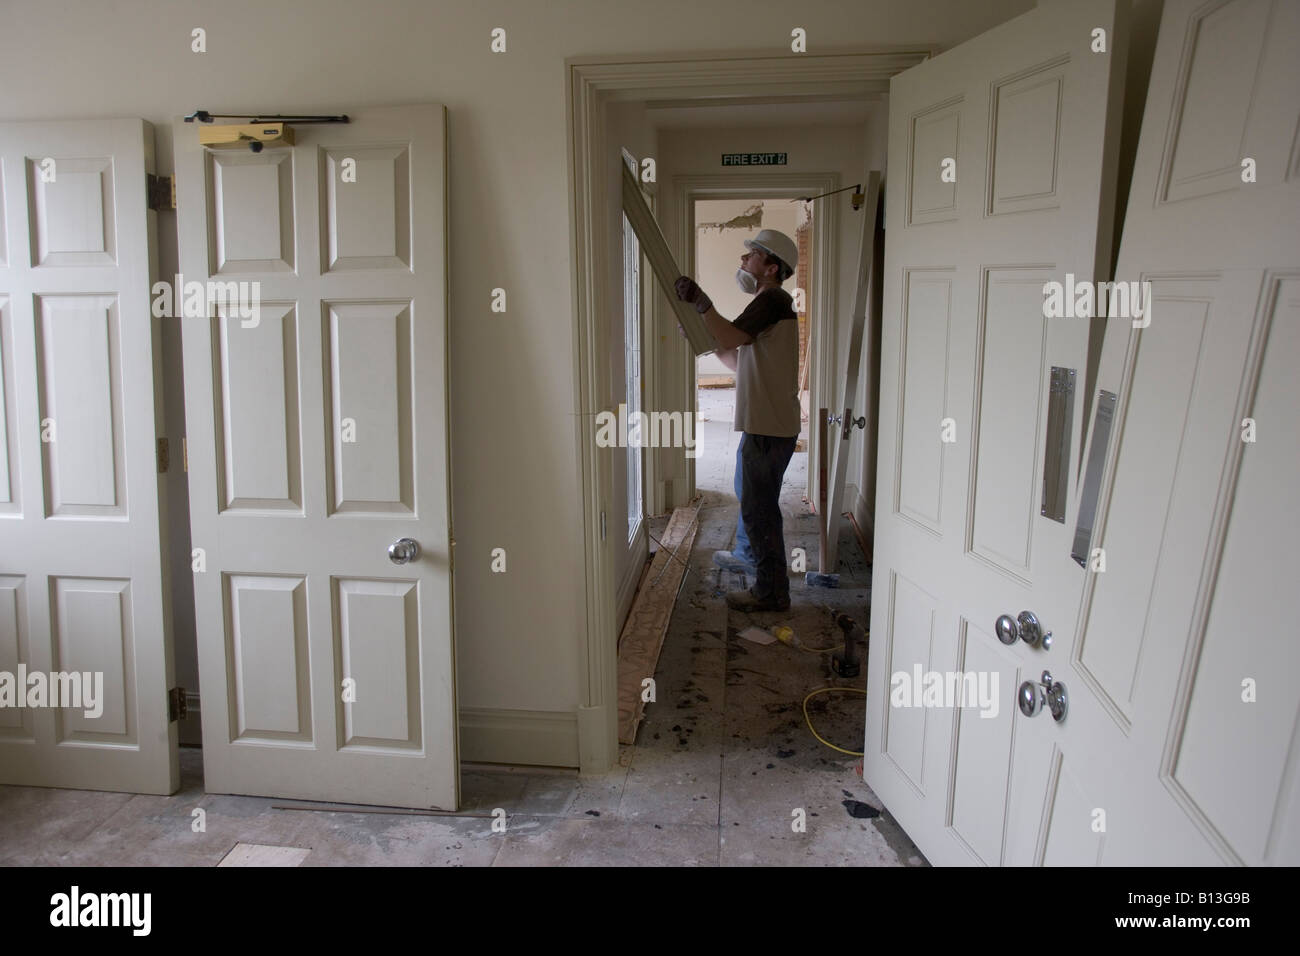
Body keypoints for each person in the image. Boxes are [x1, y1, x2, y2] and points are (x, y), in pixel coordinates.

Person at [674, 228, 800, 612]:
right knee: (752, 500)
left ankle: (771, 593)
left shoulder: (773, 299)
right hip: (767, 424)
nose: (743, 262)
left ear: (771, 267)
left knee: (759, 511)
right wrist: (705, 336)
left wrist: (702, 304)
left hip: (769, 426)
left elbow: (729, 334)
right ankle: (755, 564)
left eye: (751, 256)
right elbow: (735, 356)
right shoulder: (769, 304)